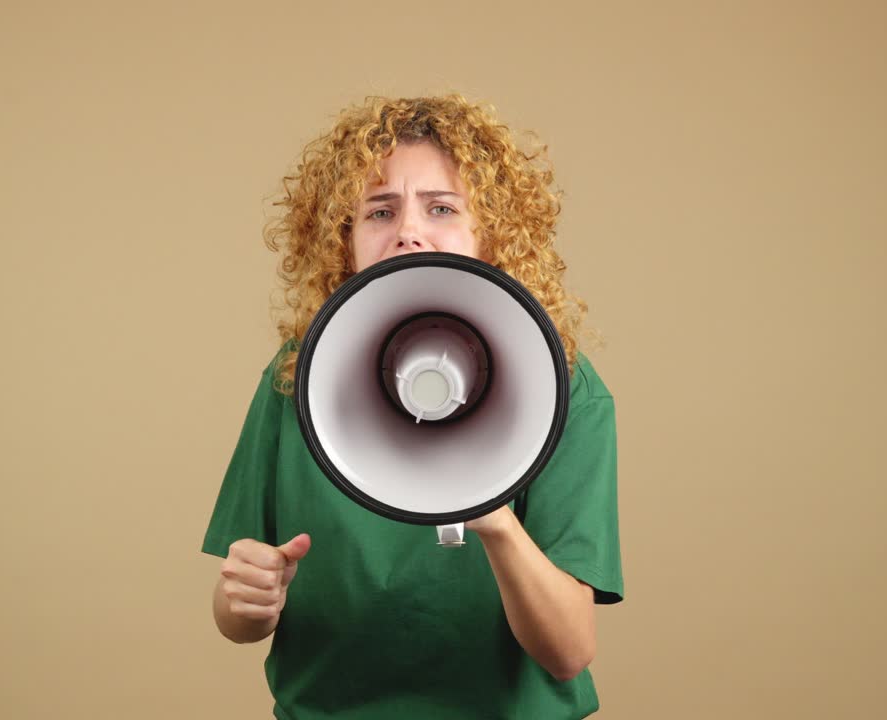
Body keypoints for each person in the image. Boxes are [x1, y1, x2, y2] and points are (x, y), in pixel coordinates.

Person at [202, 94, 624, 720]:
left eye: (442, 207)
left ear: (493, 235)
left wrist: (494, 517)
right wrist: (245, 602)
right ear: (343, 241)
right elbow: (237, 615)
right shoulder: (295, 377)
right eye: (378, 210)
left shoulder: (565, 387)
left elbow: (567, 653)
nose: (408, 230)